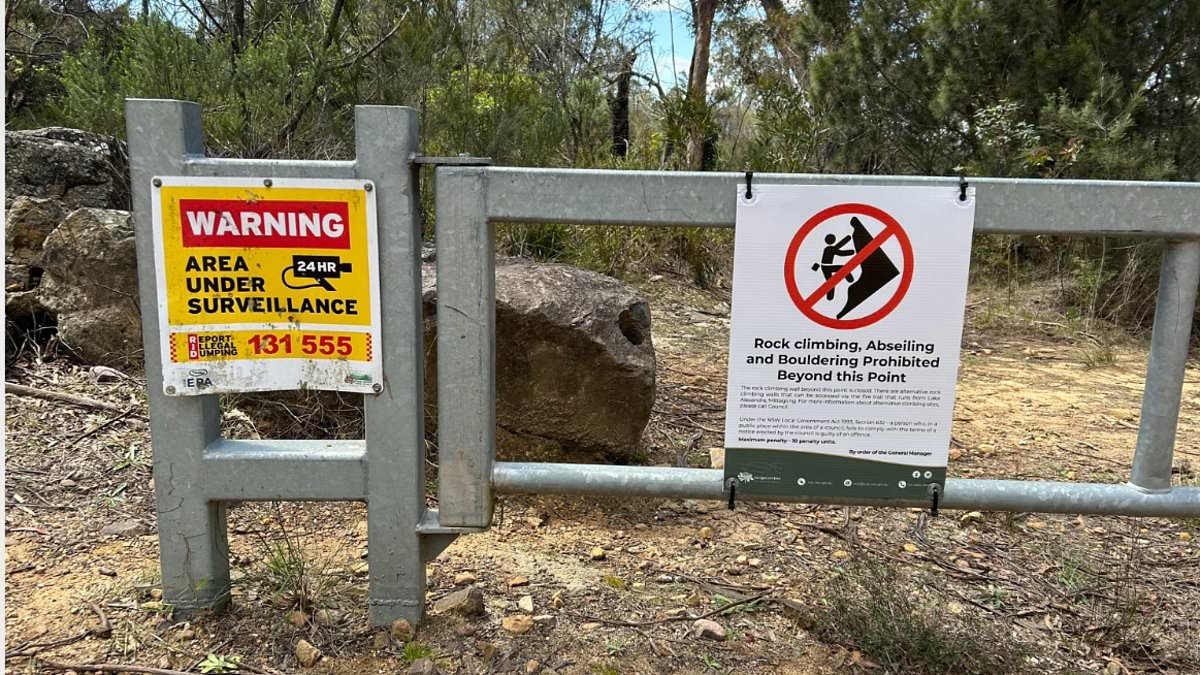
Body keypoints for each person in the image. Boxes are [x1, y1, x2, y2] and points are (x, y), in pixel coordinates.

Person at [811, 233, 855, 300]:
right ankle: (849, 278)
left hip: (824, 267)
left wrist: (847, 240)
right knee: (842, 268)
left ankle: (830, 296)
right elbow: (841, 253)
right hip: (828, 267)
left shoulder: (828, 248)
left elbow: (837, 248)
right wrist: (852, 252)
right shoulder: (831, 249)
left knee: (830, 283)